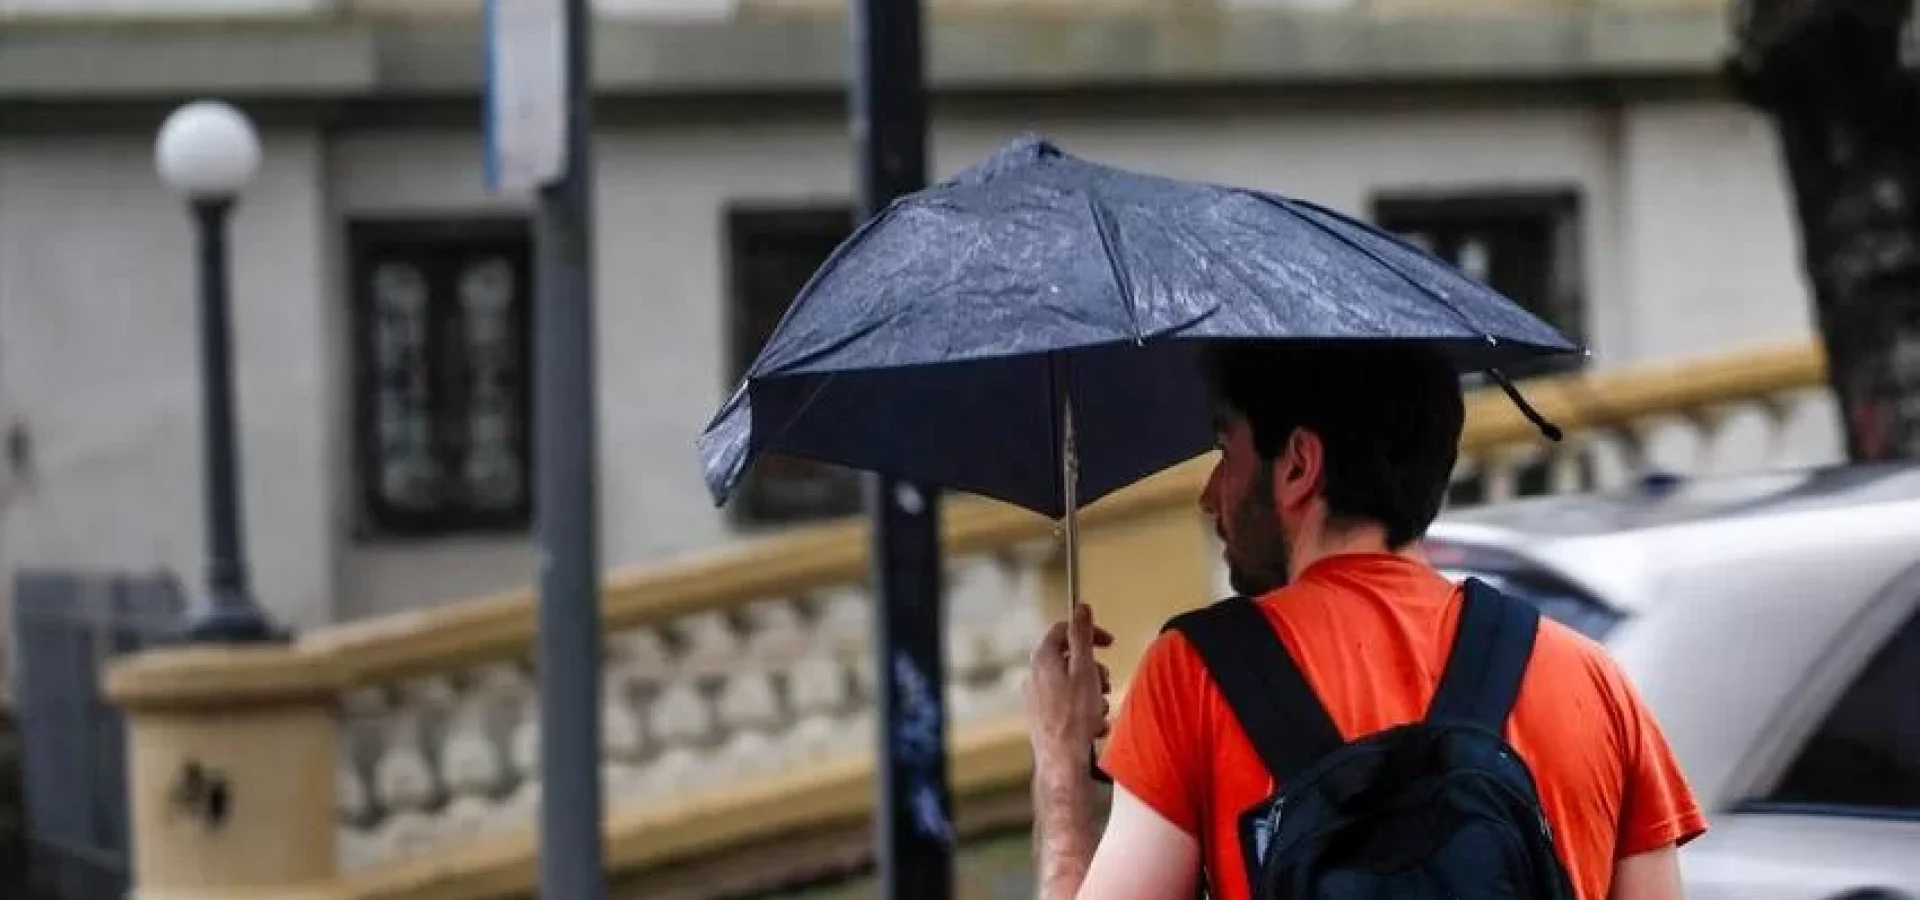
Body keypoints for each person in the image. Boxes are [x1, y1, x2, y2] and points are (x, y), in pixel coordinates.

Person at [1024, 340, 1706, 900]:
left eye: (1226, 453)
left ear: (1298, 465)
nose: (1210, 496)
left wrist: (1060, 773)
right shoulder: (1594, 685)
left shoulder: (1195, 677)